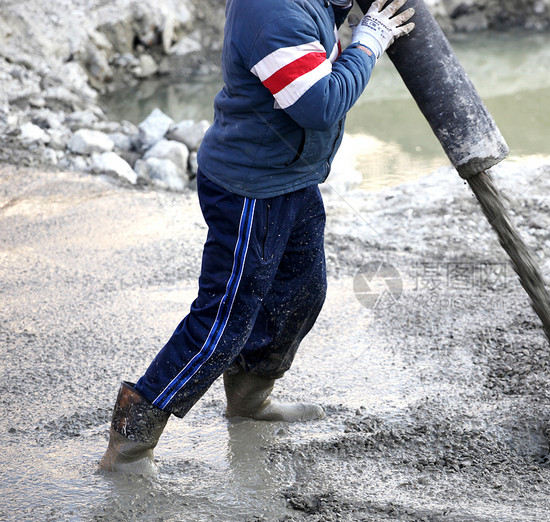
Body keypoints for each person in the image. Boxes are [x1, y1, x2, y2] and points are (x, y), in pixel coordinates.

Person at [99, 0, 415, 475]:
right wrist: (369, 41)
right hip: (250, 190)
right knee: (223, 323)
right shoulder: (273, 10)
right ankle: (131, 442)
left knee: (302, 293)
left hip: (290, 178)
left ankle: (249, 398)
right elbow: (320, 105)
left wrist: (348, 16)